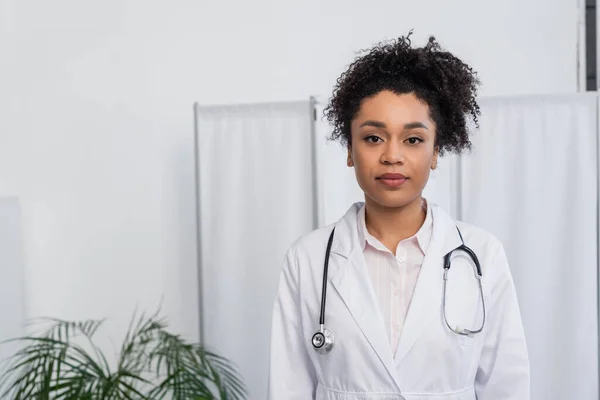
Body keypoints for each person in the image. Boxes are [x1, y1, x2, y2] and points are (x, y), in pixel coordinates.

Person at [267, 32, 529, 400]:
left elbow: (507, 385)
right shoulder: (308, 259)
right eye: (373, 138)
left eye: (413, 140)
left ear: (436, 152)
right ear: (349, 149)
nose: (392, 155)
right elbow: (287, 387)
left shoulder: (483, 255)